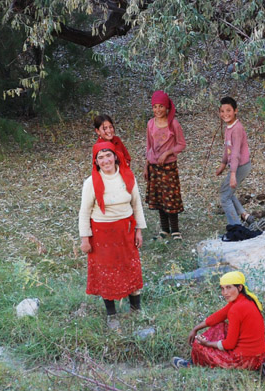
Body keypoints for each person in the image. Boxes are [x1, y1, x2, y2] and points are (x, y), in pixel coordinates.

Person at [78, 142, 146, 329]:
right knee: (106, 273)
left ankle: (136, 309)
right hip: (102, 235)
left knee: (130, 267)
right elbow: (84, 212)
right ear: (96, 162)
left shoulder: (127, 176)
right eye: (100, 157)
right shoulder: (91, 182)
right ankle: (112, 315)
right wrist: (85, 238)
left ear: (115, 156)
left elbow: (136, 204)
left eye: (108, 155)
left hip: (126, 231)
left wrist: (139, 230)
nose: (105, 160)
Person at [172, 271, 265, 369]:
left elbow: (229, 344)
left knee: (198, 345)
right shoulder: (246, 300)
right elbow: (218, 317)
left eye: (229, 287)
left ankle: (190, 365)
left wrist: (207, 344)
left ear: (239, 287)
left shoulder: (236, 309)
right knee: (219, 325)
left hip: (244, 361)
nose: (225, 293)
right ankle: (196, 359)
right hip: (260, 358)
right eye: (222, 288)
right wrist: (195, 329)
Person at [144, 90, 186, 241]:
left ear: (167, 107)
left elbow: (181, 144)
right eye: (155, 107)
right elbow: (149, 146)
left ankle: (175, 230)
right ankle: (164, 229)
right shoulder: (150, 124)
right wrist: (146, 165)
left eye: (161, 106)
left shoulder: (173, 124)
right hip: (154, 168)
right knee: (159, 198)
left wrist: (167, 153)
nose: (158, 110)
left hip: (168, 167)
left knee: (171, 197)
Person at [215, 97, 255, 227]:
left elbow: (236, 153)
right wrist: (222, 164)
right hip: (235, 165)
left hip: (241, 166)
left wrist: (233, 174)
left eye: (228, 110)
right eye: (222, 111)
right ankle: (245, 215)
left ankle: (236, 227)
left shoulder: (237, 129)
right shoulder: (229, 127)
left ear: (236, 111)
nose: (225, 114)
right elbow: (228, 148)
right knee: (225, 191)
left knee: (225, 197)